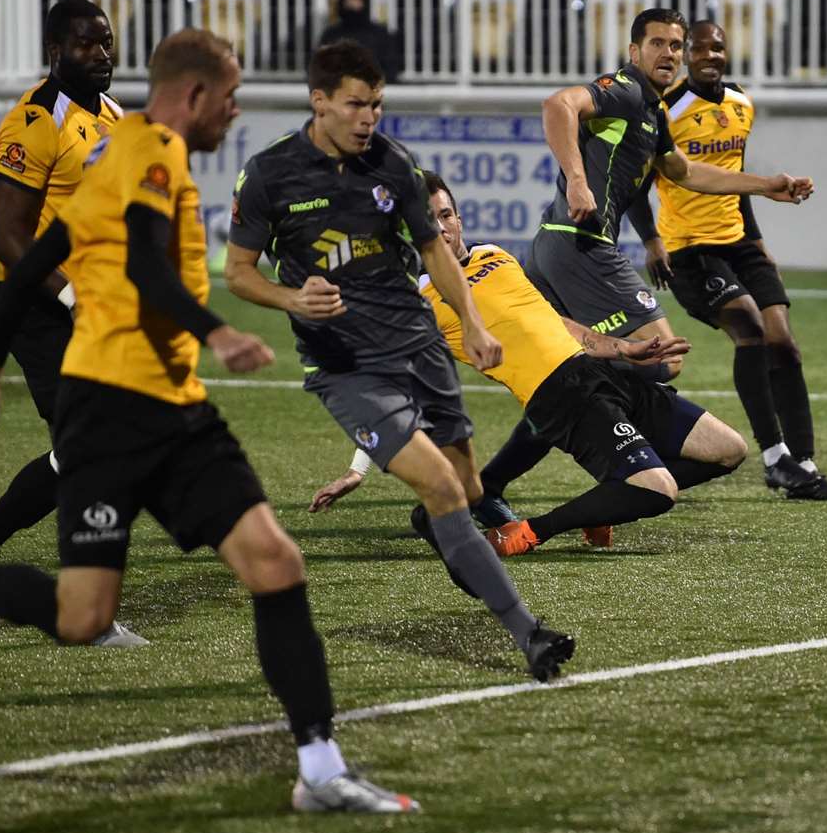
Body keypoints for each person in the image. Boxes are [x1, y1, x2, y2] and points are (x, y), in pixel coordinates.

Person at [0, 28, 416, 813]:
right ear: (193, 97)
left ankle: (321, 773)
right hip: (108, 409)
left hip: (176, 407)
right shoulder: (151, 152)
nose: (236, 110)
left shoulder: (117, 154)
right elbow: (145, 264)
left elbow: (36, 257)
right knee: (84, 617)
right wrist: (217, 329)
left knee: (276, 564)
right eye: (231, 96)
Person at [224, 40, 574, 683]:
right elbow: (239, 274)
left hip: (419, 350)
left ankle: (446, 530)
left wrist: (469, 323)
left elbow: (437, 252)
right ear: (319, 101)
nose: (368, 119)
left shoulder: (393, 164)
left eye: (377, 105)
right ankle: (529, 633)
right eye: (356, 105)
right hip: (347, 368)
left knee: (465, 492)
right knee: (445, 488)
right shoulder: (271, 175)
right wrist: (291, 296)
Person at [476, 7, 814, 511]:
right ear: (635, 51)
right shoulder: (626, 89)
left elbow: (684, 171)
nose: (669, 54)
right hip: (580, 243)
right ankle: (621, 465)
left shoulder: (652, 113)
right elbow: (557, 105)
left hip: (563, 245)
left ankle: (500, 478)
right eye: (657, 44)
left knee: (583, 370)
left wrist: (765, 185)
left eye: (676, 46)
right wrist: (576, 178)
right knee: (664, 355)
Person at [310, 171, 746, 557]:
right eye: (427, 220)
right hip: (561, 396)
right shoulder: (420, 302)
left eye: (446, 215)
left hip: (605, 374)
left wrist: (622, 349)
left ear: (459, 219)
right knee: (658, 490)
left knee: (729, 450)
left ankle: (611, 502)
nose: (440, 227)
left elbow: (554, 322)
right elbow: (393, 389)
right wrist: (357, 469)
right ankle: (530, 532)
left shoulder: (495, 255)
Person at [0, 0, 143, 645]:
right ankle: (78, 607)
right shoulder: (33, 120)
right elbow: (2, 233)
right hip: (31, 308)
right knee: (95, 452)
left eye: (107, 42)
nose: (102, 55)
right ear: (54, 49)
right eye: (87, 44)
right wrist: (72, 296)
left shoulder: (112, 118)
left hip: (85, 311)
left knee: (94, 451)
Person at [638, 20, 827, 501]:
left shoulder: (741, 104)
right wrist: (652, 241)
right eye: (699, 48)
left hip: (740, 244)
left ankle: (805, 463)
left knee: (785, 346)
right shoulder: (666, 111)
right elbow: (637, 187)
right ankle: (774, 457)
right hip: (691, 250)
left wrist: (757, 242)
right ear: (684, 55)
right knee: (750, 332)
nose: (711, 56)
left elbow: (732, 177)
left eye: (719, 48)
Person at [318, 0, 401, 84]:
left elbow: (390, 70)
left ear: (365, 1)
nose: (352, 3)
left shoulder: (380, 35)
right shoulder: (331, 35)